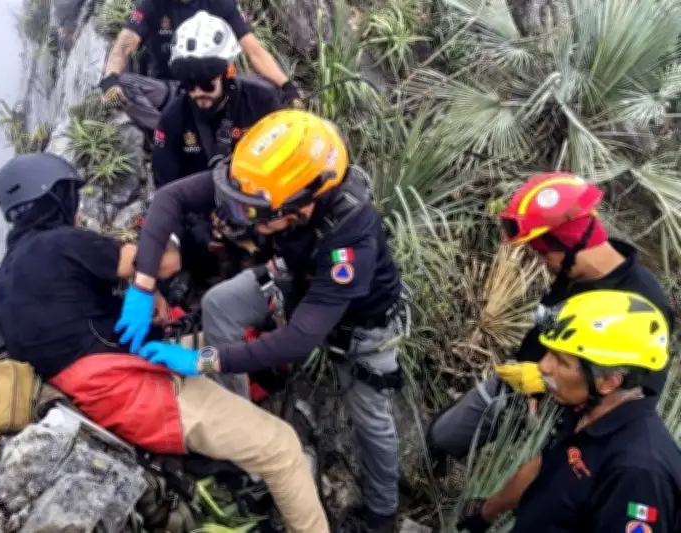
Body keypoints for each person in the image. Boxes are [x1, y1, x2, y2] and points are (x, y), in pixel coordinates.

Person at [0, 152, 330, 533]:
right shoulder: (60, 243)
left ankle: (243, 419)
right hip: (130, 390)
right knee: (281, 448)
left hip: (95, 386)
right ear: (57, 198)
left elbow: (72, 321)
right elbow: (159, 263)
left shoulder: (5, 279)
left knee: (224, 339)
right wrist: (182, 239)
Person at [113, 109, 405, 533]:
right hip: (293, 279)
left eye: (257, 211)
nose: (243, 215)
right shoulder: (266, 184)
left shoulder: (350, 236)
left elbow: (300, 338)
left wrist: (203, 361)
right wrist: (142, 288)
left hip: (358, 324)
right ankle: (244, 427)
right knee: (220, 305)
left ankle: (383, 515)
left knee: (372, 418)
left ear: (303, 203)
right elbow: (169, 199)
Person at [426, 172, 675, 463]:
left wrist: (545, 383)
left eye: (543, 254)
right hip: (518, 381)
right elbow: (550, 323)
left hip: (564, 419)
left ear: (568, 245)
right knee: (442, 435)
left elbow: (637, 393)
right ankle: (433, 462)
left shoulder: (641, 305)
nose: (541, 262)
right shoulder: (575, 275)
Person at [457, 289, 681, 533]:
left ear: (608, 382)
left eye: (561, 361)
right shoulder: (585, 409)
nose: (543, 365)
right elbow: (545, 467)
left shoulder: (638, 474)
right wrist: (485, 513)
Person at [152, 10, 281, 292]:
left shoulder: (262, 102)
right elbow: (165, 187)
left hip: (262, 208)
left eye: (207, 83)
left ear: (228, 72)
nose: (198, 92)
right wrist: (196, 230)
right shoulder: (173, 120)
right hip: (202, 216)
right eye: (188, 85)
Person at [100, 0, 302, 108]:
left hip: (215, 85)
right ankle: (164, 129)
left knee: (267, 93)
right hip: (169, 88)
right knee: (123, 84)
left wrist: (286, 85)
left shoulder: (220, 3)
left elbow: (253, 50)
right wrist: (110, 78)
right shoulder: (153, 4)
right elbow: (125, 44)